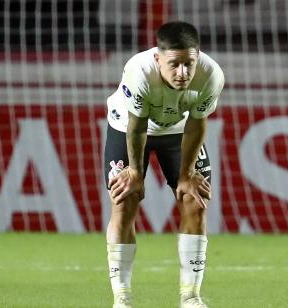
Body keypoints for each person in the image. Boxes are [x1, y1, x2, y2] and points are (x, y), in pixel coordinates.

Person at [103, 21, 224, 308]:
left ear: (198, 57)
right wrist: (134, 172)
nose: (182, 73)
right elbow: (137, 126)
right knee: (125, 199)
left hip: (180, 131)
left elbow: (197, 124)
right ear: (158, 58)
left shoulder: (211, 75)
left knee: (195, 199)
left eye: (189, 64)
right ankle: (122, 297)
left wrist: (186, 175)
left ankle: (190, 297)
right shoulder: (139, 71)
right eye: (174, 64)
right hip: (127, 127)